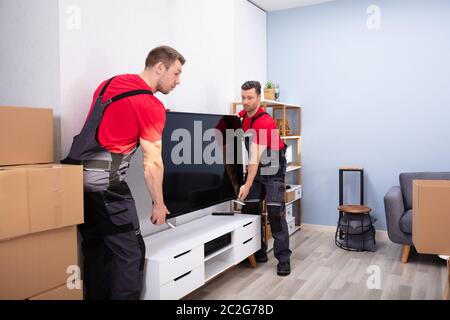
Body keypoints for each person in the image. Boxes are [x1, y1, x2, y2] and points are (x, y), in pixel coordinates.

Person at [62, 46, 185, 299]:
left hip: (73, 179)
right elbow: (152, 164)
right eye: (176, 73)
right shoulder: (150, 106)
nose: (178, 81)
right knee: (130, 253)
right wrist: (159, 204)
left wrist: (151, 115)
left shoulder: (111, 83)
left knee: (98, 248)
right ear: (159, 67)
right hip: (104, 184)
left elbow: (113, 120)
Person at [237, 80, 292, 276]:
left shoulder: (264, 122)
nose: (245, 102)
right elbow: (222, 126)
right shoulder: (242, 116)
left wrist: (247, 182)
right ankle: (257, 251)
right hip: (256, 168)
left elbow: (254, 157)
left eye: (250, 98)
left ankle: (283, 259)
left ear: (259, 98)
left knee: (275, 213)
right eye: (243, 97)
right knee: (250, 211)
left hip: (273, 169)